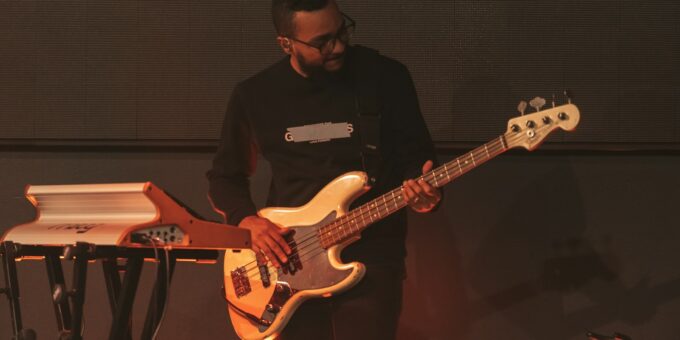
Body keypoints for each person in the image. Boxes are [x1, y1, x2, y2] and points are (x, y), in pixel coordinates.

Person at [207, 0, 442, 338]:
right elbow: (225, 177)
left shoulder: (384, 77)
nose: (338, 47)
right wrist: (249, 222)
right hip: (290, 264)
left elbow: (417, 159)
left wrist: (425, 195)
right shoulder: (255, 95)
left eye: (341, 31)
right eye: (322, 42)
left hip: (372, 255)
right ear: (286, 43)